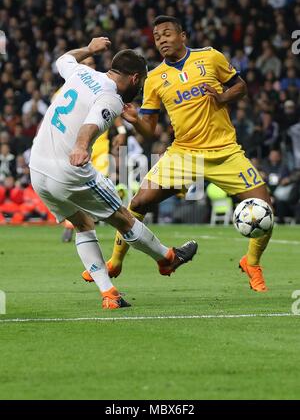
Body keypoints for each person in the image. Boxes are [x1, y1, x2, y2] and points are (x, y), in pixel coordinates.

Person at [83, 16, 273, 292]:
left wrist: (222, 97)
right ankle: (114, 262)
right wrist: (136, 121)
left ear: (182, 35)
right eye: (157, 36)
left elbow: (240, 87)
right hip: (184, 154)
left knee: (265, 209)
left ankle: (251, 262)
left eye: (167, 33)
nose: (161, 39)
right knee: (138, 204)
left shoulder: (210, 57)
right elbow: (149, 130)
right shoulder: (155, 78)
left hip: (225, 151)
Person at [29, 36, 198, 309]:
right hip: (68, 169)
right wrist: (81, 147)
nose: (140, 88)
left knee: (84, 224)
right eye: (141, 83)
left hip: (37, 169)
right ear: (134, 78)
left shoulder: (82, 71)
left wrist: (89, 48)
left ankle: (109, 295)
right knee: (123, 218)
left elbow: (63, 59)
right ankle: (167, 259)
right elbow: (92, 123)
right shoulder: (111, 98)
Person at [61, 55, 127, 243]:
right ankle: (75, 223)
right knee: (77, 187)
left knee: (97, 187)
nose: (90, 66)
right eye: (86, 64)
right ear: (80, 66)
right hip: (78, 148)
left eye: (92, 64)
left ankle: (93, 222)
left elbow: (111, 106)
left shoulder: (102, 84)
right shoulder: (69, 87)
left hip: (100, 148)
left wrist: (121, 130)